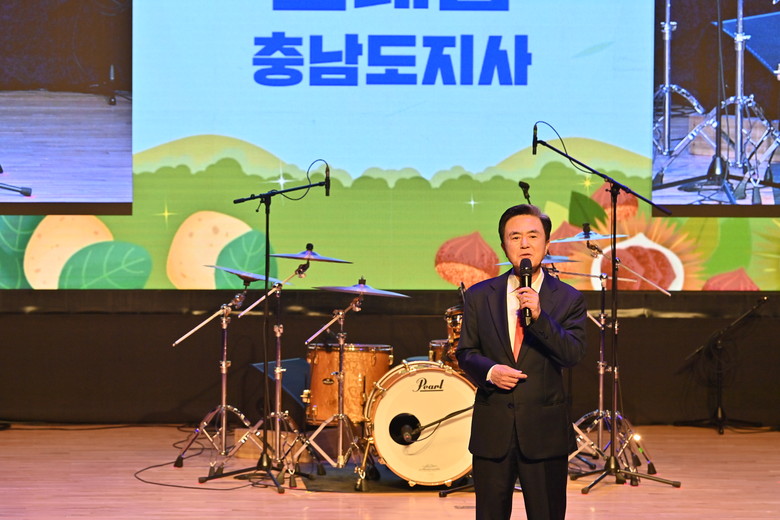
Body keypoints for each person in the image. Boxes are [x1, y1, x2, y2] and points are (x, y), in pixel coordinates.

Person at [456, 203, 587, 520]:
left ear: (547, 243)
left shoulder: (568, 298)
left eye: (533, 236)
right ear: (503, 245)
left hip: (544, 432)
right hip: (493, 430)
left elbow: (572, 354)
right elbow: (466, 352)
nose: (524, 244)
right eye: (515, 237)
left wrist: (540, 317)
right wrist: (490, 371)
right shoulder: (479, 296)